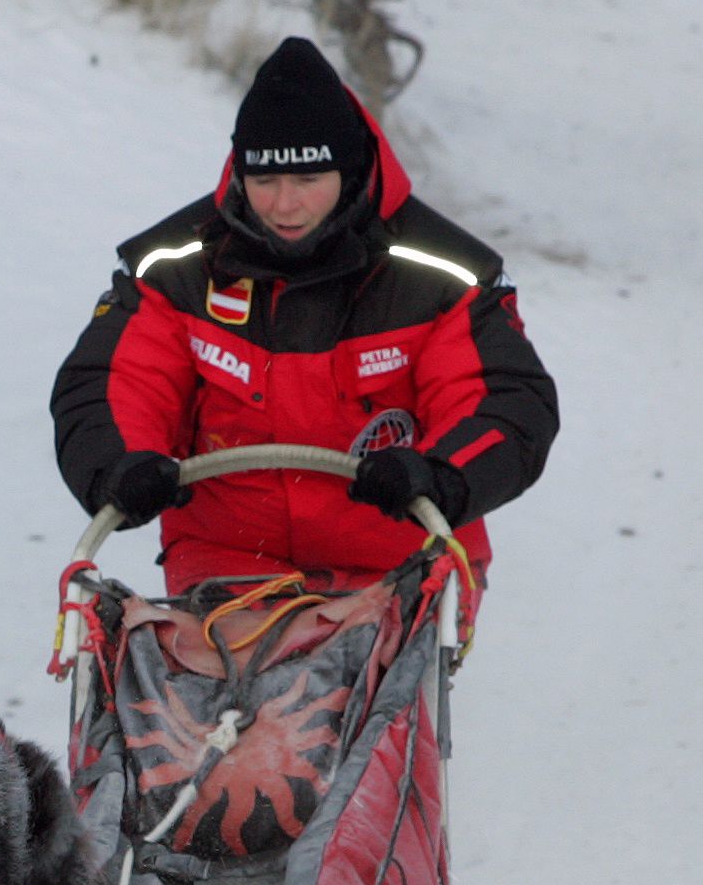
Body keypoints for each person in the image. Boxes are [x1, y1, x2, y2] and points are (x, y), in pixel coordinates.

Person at [49, 36, 557, 593]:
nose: (284, 204)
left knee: (352, 682)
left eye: (308, 180)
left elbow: (506, 401)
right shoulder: (173, 269)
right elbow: (113, 381)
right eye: (264, 181)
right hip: (226, 555)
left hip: (400, 559)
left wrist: (441, 475)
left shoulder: (447, 277)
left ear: (350, 171)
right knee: (203, 676)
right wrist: (119, 464)